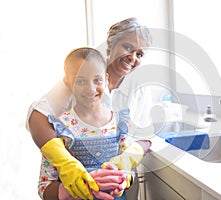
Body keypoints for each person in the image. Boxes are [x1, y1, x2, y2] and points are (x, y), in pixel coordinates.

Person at [26, 17, 152, 199]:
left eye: (139, 54)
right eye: (128, 47)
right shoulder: (82, 70)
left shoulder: (137, 91)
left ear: (105, 80)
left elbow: (143, 139)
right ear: (112, 44)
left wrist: (123, 168)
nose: (132, 57)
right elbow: (37, 117)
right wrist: (68, 166)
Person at [39, 47, 143, 200]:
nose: (90, 88)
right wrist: (76, 188)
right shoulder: (60, 127)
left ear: (106, 79)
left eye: (97, 80)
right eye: (81, 81)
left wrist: (125, 179)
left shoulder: (119, 123)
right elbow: (44, 186)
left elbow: (129, 170)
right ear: (67, 82)